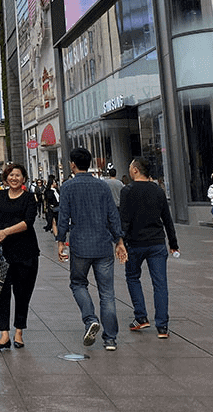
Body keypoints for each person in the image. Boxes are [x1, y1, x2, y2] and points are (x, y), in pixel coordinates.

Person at [57, 147, 128, 351]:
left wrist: (61, 241)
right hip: (103, 245)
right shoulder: (102, 186)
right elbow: (113, 215)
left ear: (72, 164)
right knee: (107, 292)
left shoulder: (68, 187)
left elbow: (63, 217)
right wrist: (119, 240)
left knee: (78, 284)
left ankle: (90, 320)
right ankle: (110, 338)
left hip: (80, 245)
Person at [120, 157, 179, 339]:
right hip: (157, 243)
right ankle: (162, 326)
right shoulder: (158, 191)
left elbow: (125, 220)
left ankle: (141, 317)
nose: (129, 170)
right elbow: (167, 219)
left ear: (136, 170)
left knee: (132, 277)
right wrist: (173, 243)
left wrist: (120, 242)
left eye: (130, 167)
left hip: (135, 243)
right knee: (160, 283)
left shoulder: (127, 191)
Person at [0, 163, 39, 350]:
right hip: (2, 254)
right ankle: (4, 334)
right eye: (10, 175)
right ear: (6, 178)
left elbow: (27, 223)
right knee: (1, 293)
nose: (14, 178)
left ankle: (19, 332)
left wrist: (5, 232)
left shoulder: (29, 198)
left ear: (24, 178)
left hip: (26, 254)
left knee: (22, 294)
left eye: (18, 175)